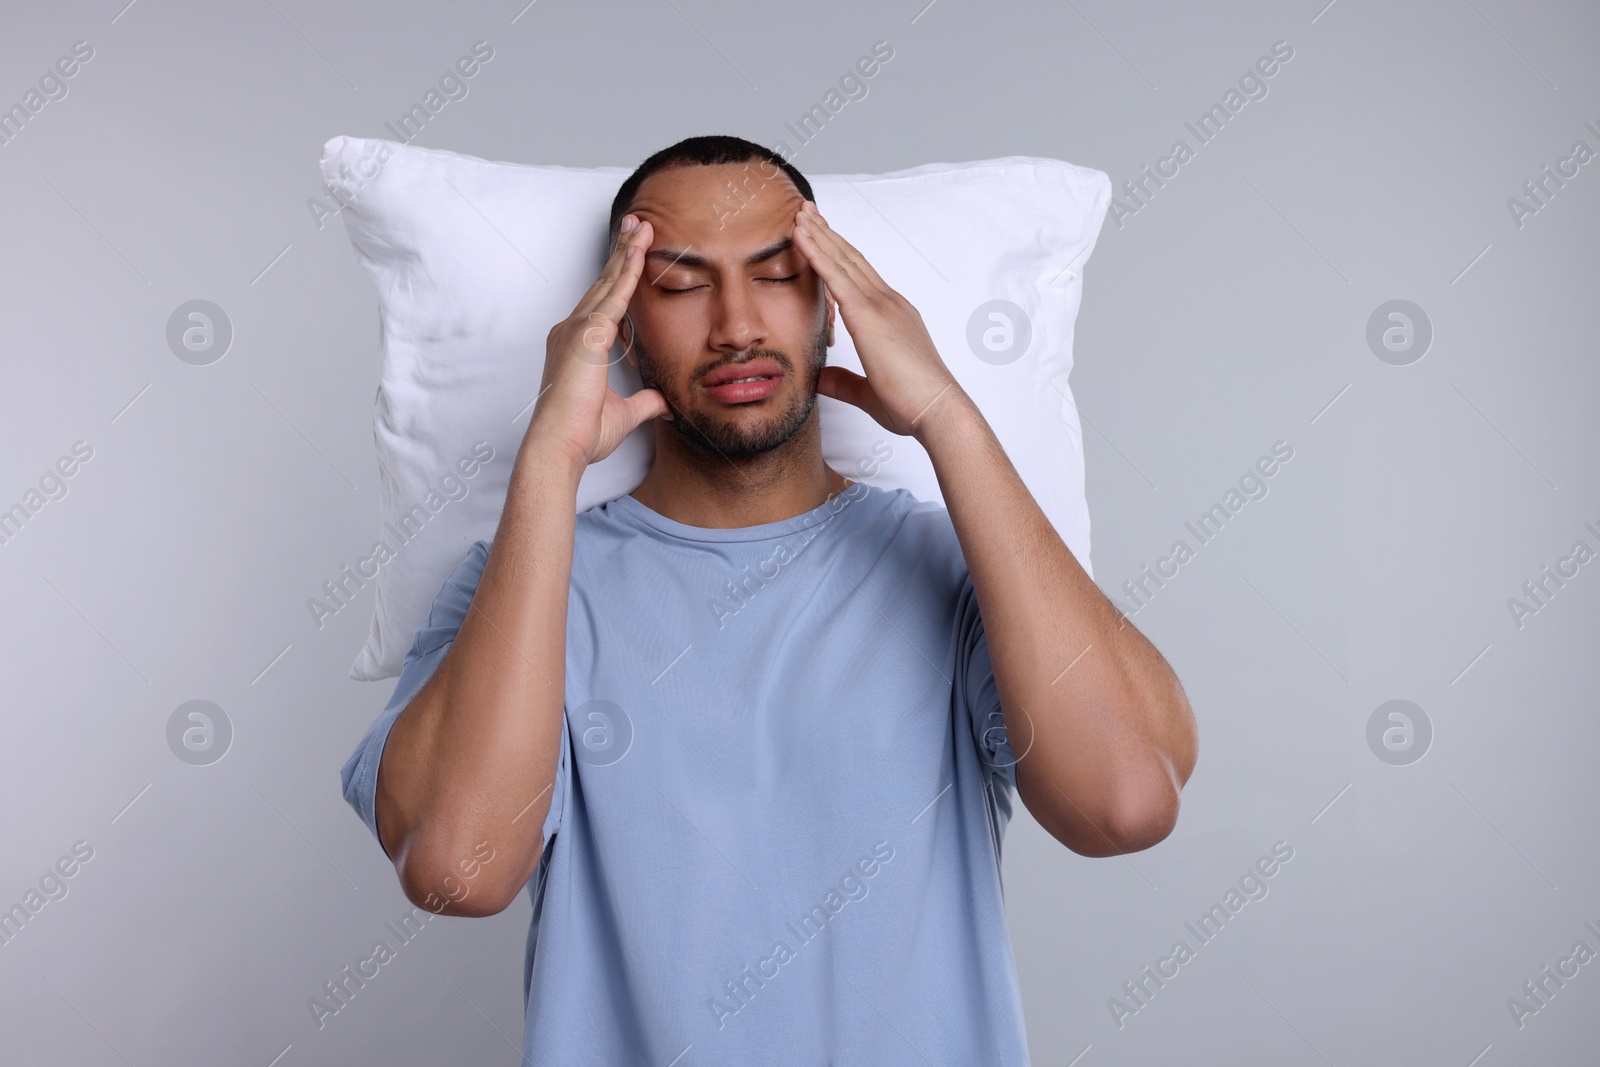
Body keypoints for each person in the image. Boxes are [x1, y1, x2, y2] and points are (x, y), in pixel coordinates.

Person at [341, 134, 1197, 1064]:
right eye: (678, 284)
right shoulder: (525, 580)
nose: (737, 325)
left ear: (833, 307)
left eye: (780, 275)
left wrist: (948, 416)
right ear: (620, 326)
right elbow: (459, 871)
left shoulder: (957, 568)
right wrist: (548, 463)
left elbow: (1124, 806)